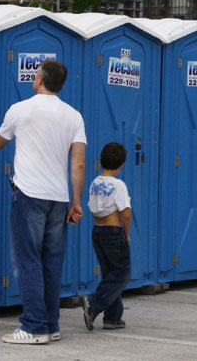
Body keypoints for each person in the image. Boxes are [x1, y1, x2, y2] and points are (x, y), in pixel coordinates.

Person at [0, 60, 86, 345]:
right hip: (59, 199)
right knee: (51, 264)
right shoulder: (73, 116)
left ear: (40, 80)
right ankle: (51, 324)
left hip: (29, 195)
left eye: (36, 74)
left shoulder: (21, 109)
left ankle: (33, 327)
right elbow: (78, 163)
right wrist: (76, 203)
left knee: (27, 261)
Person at [81, 142, 132, 331]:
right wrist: (126, 234)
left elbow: (93, 208)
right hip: (113, 232)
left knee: (110, 275)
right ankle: (93, 304)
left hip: (98, 232)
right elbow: (125, 213)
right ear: (121, 164)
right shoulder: (118, 185)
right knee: (122, 275)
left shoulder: (95, 182)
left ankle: (112, 318)